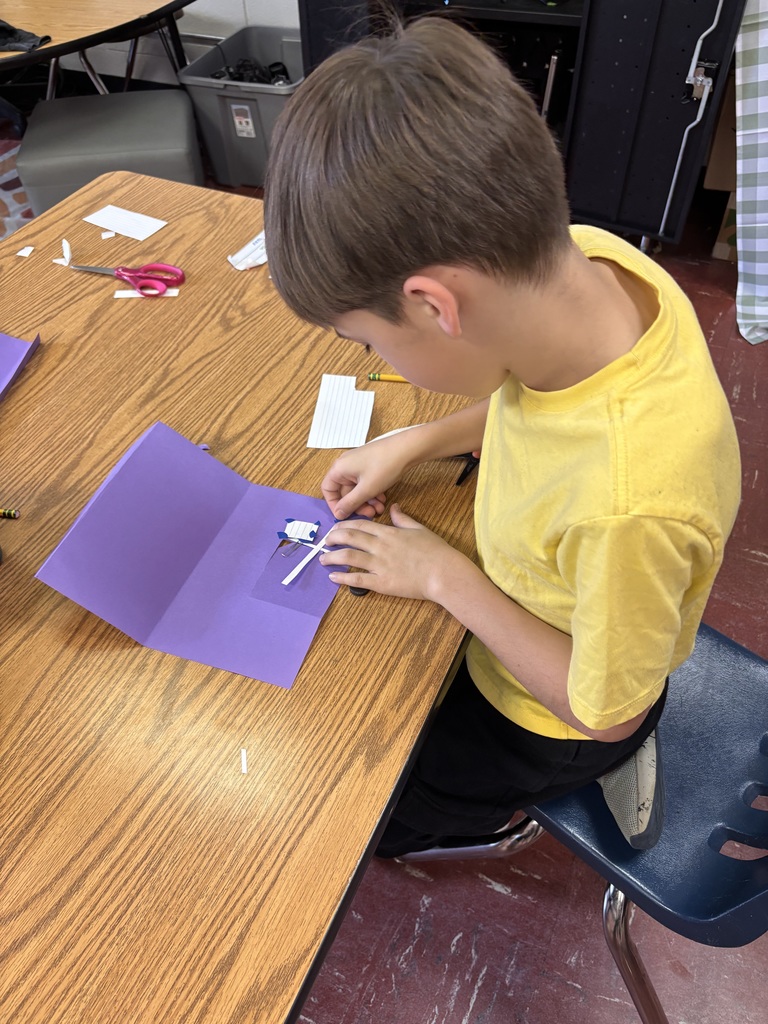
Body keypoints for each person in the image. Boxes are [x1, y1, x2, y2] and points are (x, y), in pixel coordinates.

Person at [263, 16, 741, 857]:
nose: (377, 359)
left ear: (435, 307)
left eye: (369, 341)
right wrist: (414, 442)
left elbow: (607, 709)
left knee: (358, 799)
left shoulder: (630, 505)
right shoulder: (583, 264)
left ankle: (483, 823)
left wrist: (446, 578)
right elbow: (535, 397)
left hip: (551, 715)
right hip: (539, 598)